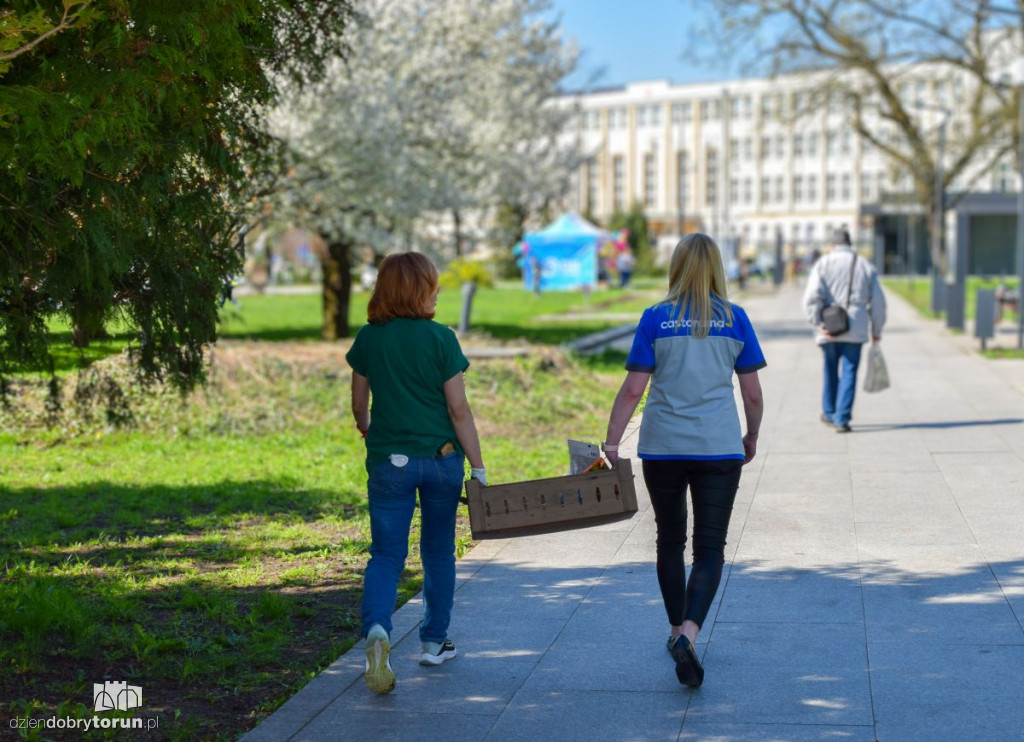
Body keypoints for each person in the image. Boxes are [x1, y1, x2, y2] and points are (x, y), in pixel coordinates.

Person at [602, 233, 765, 688]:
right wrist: (751, 434)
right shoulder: (735, 318)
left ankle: (676, 630)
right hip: (718, 448)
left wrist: (612, 444)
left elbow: (634, 389)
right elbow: (751, 392)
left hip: (663, 447)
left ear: (676, 267)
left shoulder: (655, 317)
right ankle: (691, 633)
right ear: (717, 268)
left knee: (669, 540)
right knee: (710, 548)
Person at [345, 252, 486, 694]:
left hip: (390, 461)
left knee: (386, 554)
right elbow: (458, 410)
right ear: (422, 290)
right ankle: (432, 642)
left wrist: (370, 431)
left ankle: (378, 630)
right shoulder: (441, 339)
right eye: (433, 286)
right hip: (442, 460)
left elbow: (358, 405)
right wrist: (478, 467)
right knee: (439, 551)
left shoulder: (370, 338)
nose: (438, 292)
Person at [802, 228, 887, 433]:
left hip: (829, 327)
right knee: (849, 371)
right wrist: (876, 329)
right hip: (855, 327)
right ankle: (842, 419)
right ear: (850, 244)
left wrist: (818, 324)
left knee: (829, 369)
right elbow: (878, 302)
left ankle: (829, 412)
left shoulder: (822, 264)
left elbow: (811, 297)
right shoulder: (864, 265)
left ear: (832, 245)